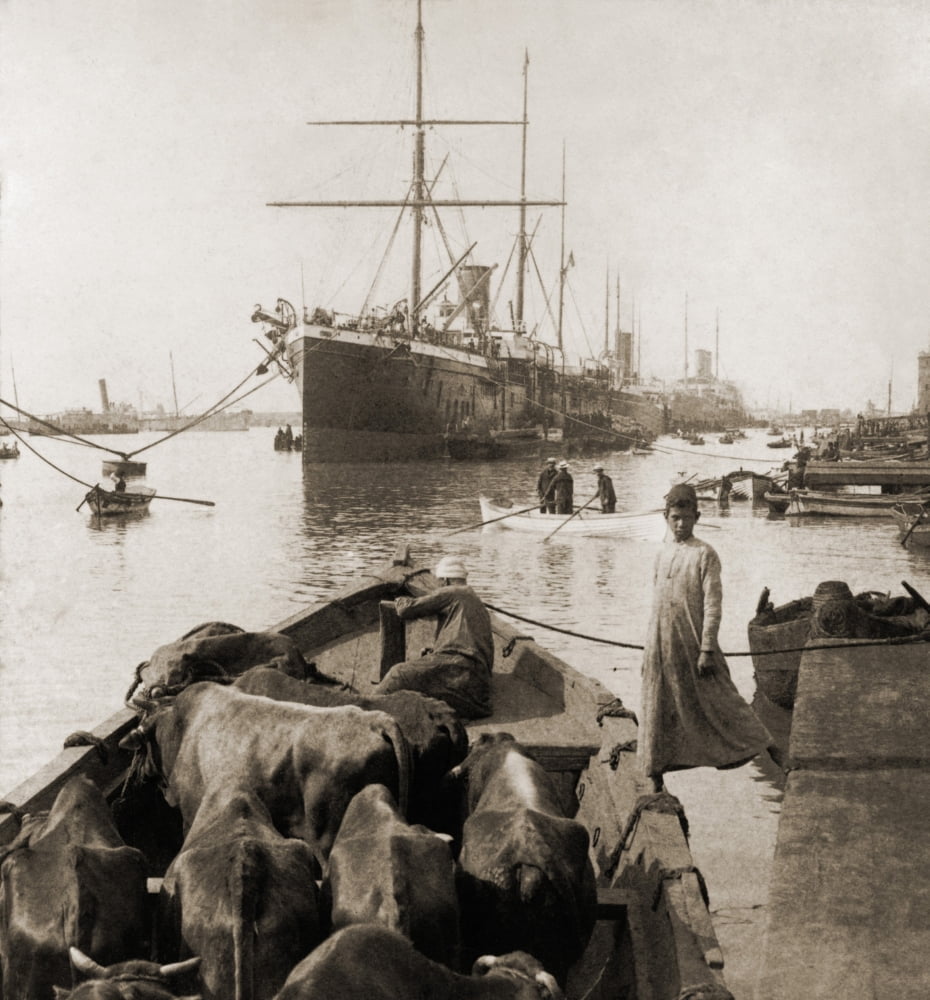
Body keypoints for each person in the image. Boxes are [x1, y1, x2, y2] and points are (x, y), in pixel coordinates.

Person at [640, 483, 781, 792]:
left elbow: (713, 604)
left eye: (686, 518)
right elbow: (657, 600)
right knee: (658, 703)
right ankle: (655, 775)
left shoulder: (705, 554)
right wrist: (652, 644)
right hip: (662, 644)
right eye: (675, 518)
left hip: (694, 643)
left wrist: (706, 648)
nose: (680, 524)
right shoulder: (661, 554)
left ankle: (771, 748)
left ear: (697, 517)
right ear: (666, 517)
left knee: (724, 699)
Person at [375, 556, 493, 719]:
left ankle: (364, 710)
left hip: (460, 669)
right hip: (476, 682)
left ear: (444, 580)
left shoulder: (452, 592)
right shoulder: (475, 600)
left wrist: (400, 599)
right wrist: (436, 650)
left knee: (399, 673)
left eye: (438, 582)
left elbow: (406, 610)